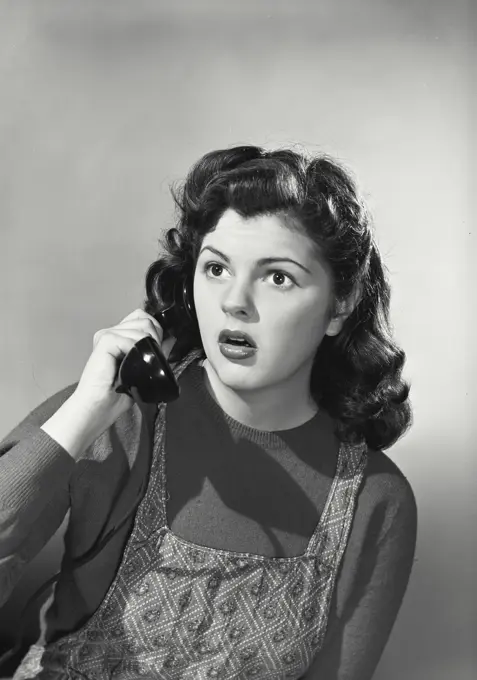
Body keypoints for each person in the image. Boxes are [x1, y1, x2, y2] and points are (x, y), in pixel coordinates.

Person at [0, 145, 417, 680]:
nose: (235, 301)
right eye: (216, 268)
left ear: (341, 303)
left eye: (278, 277)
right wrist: (81, 415)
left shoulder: (376, 501)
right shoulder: (120, 419)